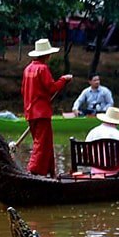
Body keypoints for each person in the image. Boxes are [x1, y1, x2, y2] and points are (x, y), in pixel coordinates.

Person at [22, 39, 72, 177]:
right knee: (41, 143)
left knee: (46, 143)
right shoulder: (42, 68)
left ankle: (50, 171)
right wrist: (63, 80)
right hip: (41, 112)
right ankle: (33, 171)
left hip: (30, 111)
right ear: (46, 55)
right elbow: (51, 88)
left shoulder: (28, 69)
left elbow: (23, 90)